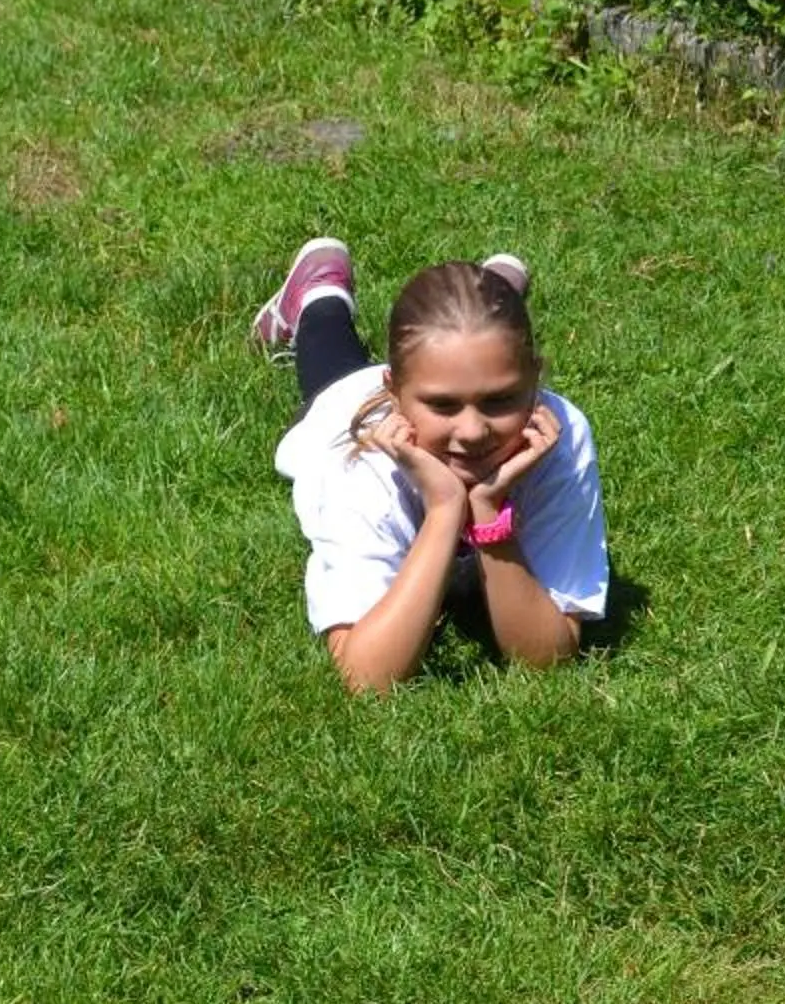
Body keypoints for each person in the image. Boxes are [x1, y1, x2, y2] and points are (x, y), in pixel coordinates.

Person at [254, 238, 609, 695]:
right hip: (345, 404)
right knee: (331, 365)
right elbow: (367, 676)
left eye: (500, 400)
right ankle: (320, 289)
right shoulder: (358, 462)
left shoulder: (558, 434)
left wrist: (486, 508)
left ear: (534, 380)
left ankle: (492, 292)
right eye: (444, 406)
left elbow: (547, 657)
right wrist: (444, 509)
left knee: (474, 331)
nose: (474, 431)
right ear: (395, 392)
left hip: (439, 360)